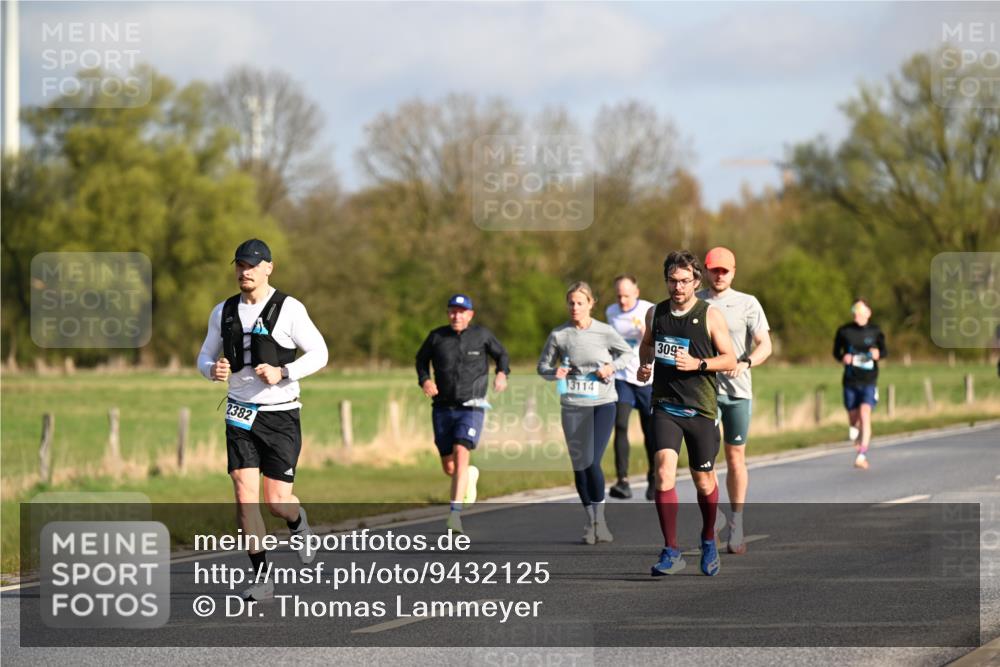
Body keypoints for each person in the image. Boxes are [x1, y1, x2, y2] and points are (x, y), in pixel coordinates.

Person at [197, 238, 329, 602]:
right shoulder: (222, 312)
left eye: (253, 265)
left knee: (276, 501)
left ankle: (296, 519)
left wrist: (284, 371)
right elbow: (204, 356)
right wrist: (213, 369)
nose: (245, 271)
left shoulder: (289, 309)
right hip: (240, 413)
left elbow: (320, 353)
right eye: (240, 265)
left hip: (281, 415)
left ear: (269, 267)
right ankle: (263, 579)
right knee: (244, 497)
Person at [637, 250, 736, 576]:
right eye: (671, 280)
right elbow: (648, 343)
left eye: (683, 281)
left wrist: (699, 364)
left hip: (701, 410)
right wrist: (644, 364)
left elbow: (730, 359)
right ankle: (671, 550)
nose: (677, 287)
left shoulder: (710, 316)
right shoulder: (656, 313)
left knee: (704, 481)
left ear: (696, 281)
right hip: (664, 407)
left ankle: (708, 538)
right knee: (664, 471)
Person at [538, 282, 633, 544]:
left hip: (603, 403)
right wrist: (553, 373)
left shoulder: (605, 331)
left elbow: (627, 354)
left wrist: (611, 367)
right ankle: (590, 521)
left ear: (591, 303)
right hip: (572, 406)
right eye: (571, 303)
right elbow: (543, 366)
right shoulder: (560, 335)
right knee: (579, 467)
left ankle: (601, 520)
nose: (575, 307)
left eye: (580, 302)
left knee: (591, 461)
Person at [696, 247, 772, 555]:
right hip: (704, 391)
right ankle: (714, 518)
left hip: (738, 390)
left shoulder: (747, 303)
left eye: (724, 270)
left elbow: (765, 344)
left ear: (733, 272)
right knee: (705, 459)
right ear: (706, 271)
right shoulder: (695, 302)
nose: (719, 275)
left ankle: (737, 521)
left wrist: (748, 362)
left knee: (735, 457)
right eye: (714, 270)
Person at [416, 294, 510, 534]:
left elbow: (502, 355)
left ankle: (454, 516)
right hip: (442, 407)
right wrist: (425, 380)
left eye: (461, 311)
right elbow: (420, 359)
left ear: (470, 314)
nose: (456, 316)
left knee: (461, 451)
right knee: (450, 466)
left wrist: (502, 373)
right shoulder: (437, 337)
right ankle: (469, 476)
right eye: (452, 311)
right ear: (448, 314)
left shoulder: (482, 336)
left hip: (472, 405)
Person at [604, 275, 656, 500]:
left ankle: (654, 477)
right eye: (619, 296)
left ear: (636, 292)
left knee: (650, 430)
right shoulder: (611, 312)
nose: (622, 300)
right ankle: (622, 480)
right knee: (621, 424)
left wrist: (646, 332)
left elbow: (656, 340)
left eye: (626, 295)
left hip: (646, 377)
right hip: (623, 376)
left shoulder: (648, 309)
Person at [833, 299, 887, 470]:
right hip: (850, 380)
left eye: (860, 313)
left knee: (865, 414)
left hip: (869, 380)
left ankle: (862, 455)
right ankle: (856, 434)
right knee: (854, 419)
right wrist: (843, 358)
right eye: (855, 313)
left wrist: (878, 353)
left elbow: (884, 351)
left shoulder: (875, 331)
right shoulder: (844, 331)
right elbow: (836, 352)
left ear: (868, 313)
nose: (857, 316)